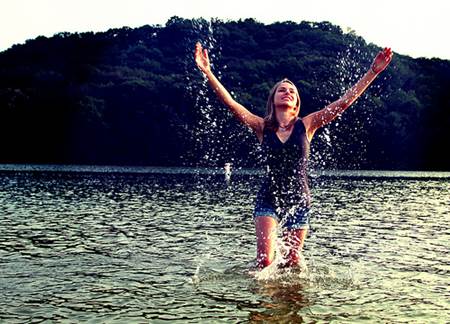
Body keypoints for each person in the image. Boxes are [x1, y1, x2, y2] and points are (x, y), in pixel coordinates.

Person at [194, 42, 393, 269]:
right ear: (273, 99)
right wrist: (208, 72)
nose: (287, 92)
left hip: (299, 201)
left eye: (292, 91)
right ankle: (262, 299)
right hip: (268, 199)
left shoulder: (307, 124)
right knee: (265, 262)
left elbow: (343, 103)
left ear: (296, 103)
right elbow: (231, 104)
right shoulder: (261, 127)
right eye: (282, 89)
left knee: (292, 263)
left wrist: (373, 72)